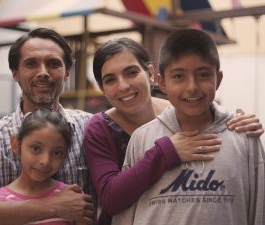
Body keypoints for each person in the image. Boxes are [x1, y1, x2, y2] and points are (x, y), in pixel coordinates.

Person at [83, 37, 264, 225]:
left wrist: (235, 122)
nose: (123, 85)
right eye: (110, 80)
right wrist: (166, 151)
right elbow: (111, 199)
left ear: (151, 74)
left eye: (131, 72)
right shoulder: (105, 129)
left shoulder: (186, 105)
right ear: (101, 88)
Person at [0, 28, 93, 225]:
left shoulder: (90, 128)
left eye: (53, 64)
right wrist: (54, 206)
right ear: (15, 73)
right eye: (31, 64)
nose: (42, 73)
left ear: (67, 72)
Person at [0, 109, 83, 225]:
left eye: (57, 153)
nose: (45, 161)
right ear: (16, 145)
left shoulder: (72, 199)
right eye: (36, 149)